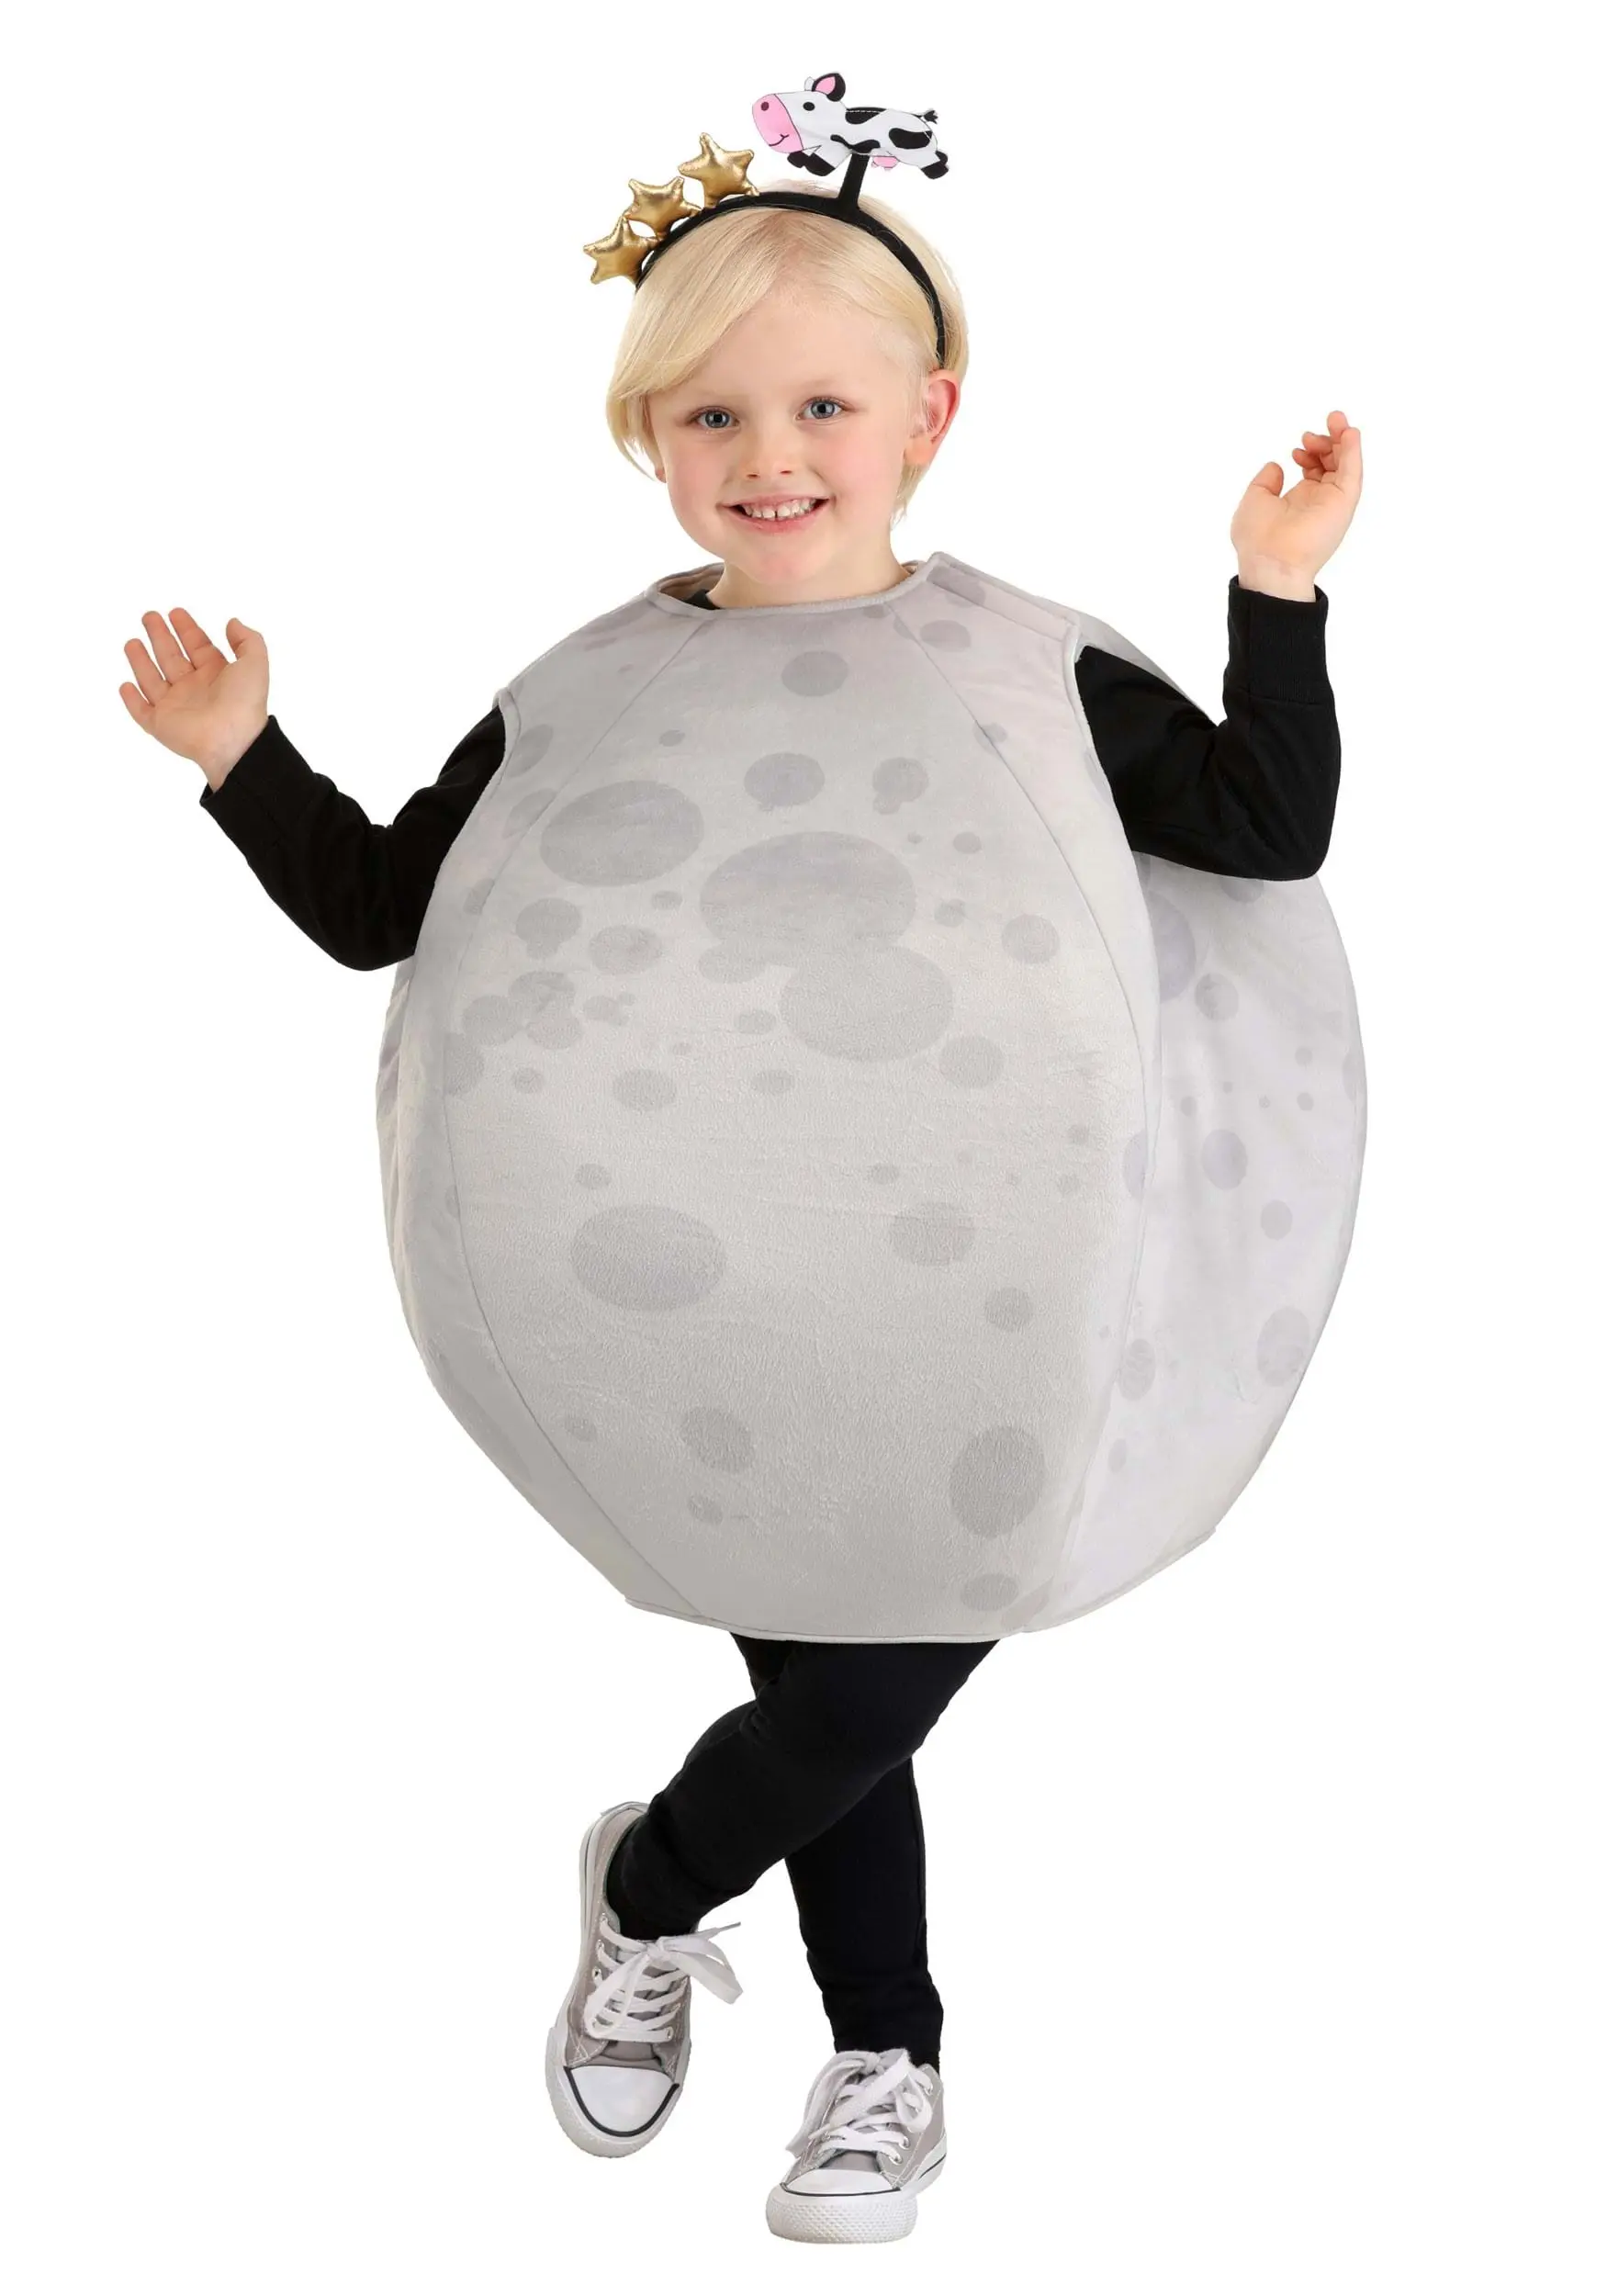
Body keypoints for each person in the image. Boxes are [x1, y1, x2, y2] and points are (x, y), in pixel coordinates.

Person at [117, 93, 1362, 2247]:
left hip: (980, 1288)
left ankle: (646, 1884)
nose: (766, 452)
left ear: (927, 416)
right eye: (709, 413)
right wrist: (245, 760)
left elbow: (1262, 827)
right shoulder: (590, 690)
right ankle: (890, 2054)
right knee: (833, 1695)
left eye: (818, 405)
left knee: (881, 1664)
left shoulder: (1032, 668)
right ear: (647, 437)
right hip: (714, 1283)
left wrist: (1272, 592)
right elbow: (394, 906)